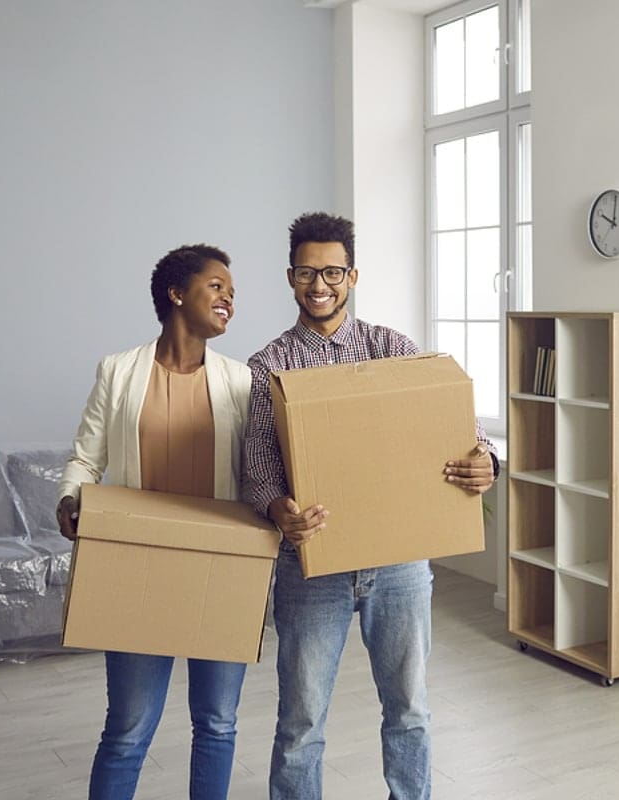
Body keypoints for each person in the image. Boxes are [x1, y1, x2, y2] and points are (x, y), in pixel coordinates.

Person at [242, 212, 498, 800]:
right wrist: (279, 509)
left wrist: (485, 458)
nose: (320, 285)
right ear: (290, 277)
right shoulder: (267, 369)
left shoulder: (392, 349)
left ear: (352, 275)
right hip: (311, 568)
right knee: (301, 723)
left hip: (399, 566)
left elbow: (446, 431)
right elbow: (257, 474)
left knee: (409, 710)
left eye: (333, 271)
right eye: (307, 272)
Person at [56, 244, 250, 800]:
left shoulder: (241, 381)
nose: (229, 298)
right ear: (176, 293)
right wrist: (71, 499)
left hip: (220, 568)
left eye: (232, 291)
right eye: (217, 286)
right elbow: (85, 459)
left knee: (216, 724)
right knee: (127, 730)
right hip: (138, 566)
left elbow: (261, 468)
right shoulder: (118, 371)